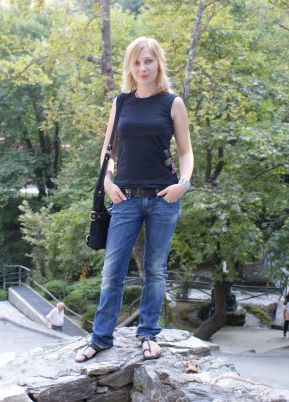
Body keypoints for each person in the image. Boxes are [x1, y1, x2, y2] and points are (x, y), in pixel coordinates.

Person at [75, 36, 193, 363]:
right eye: (137, 62)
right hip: (124, 198)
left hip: (163, 198)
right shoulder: (122, 102)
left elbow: (186, 152)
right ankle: (101, 338)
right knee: (112, 270)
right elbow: (108, 151)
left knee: (154, 270)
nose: (143, 68)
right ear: (130, 66)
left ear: (158, 63)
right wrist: (107, 180)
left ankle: (148, 334)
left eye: (148, 61)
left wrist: (183, 184)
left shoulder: (172, 103)